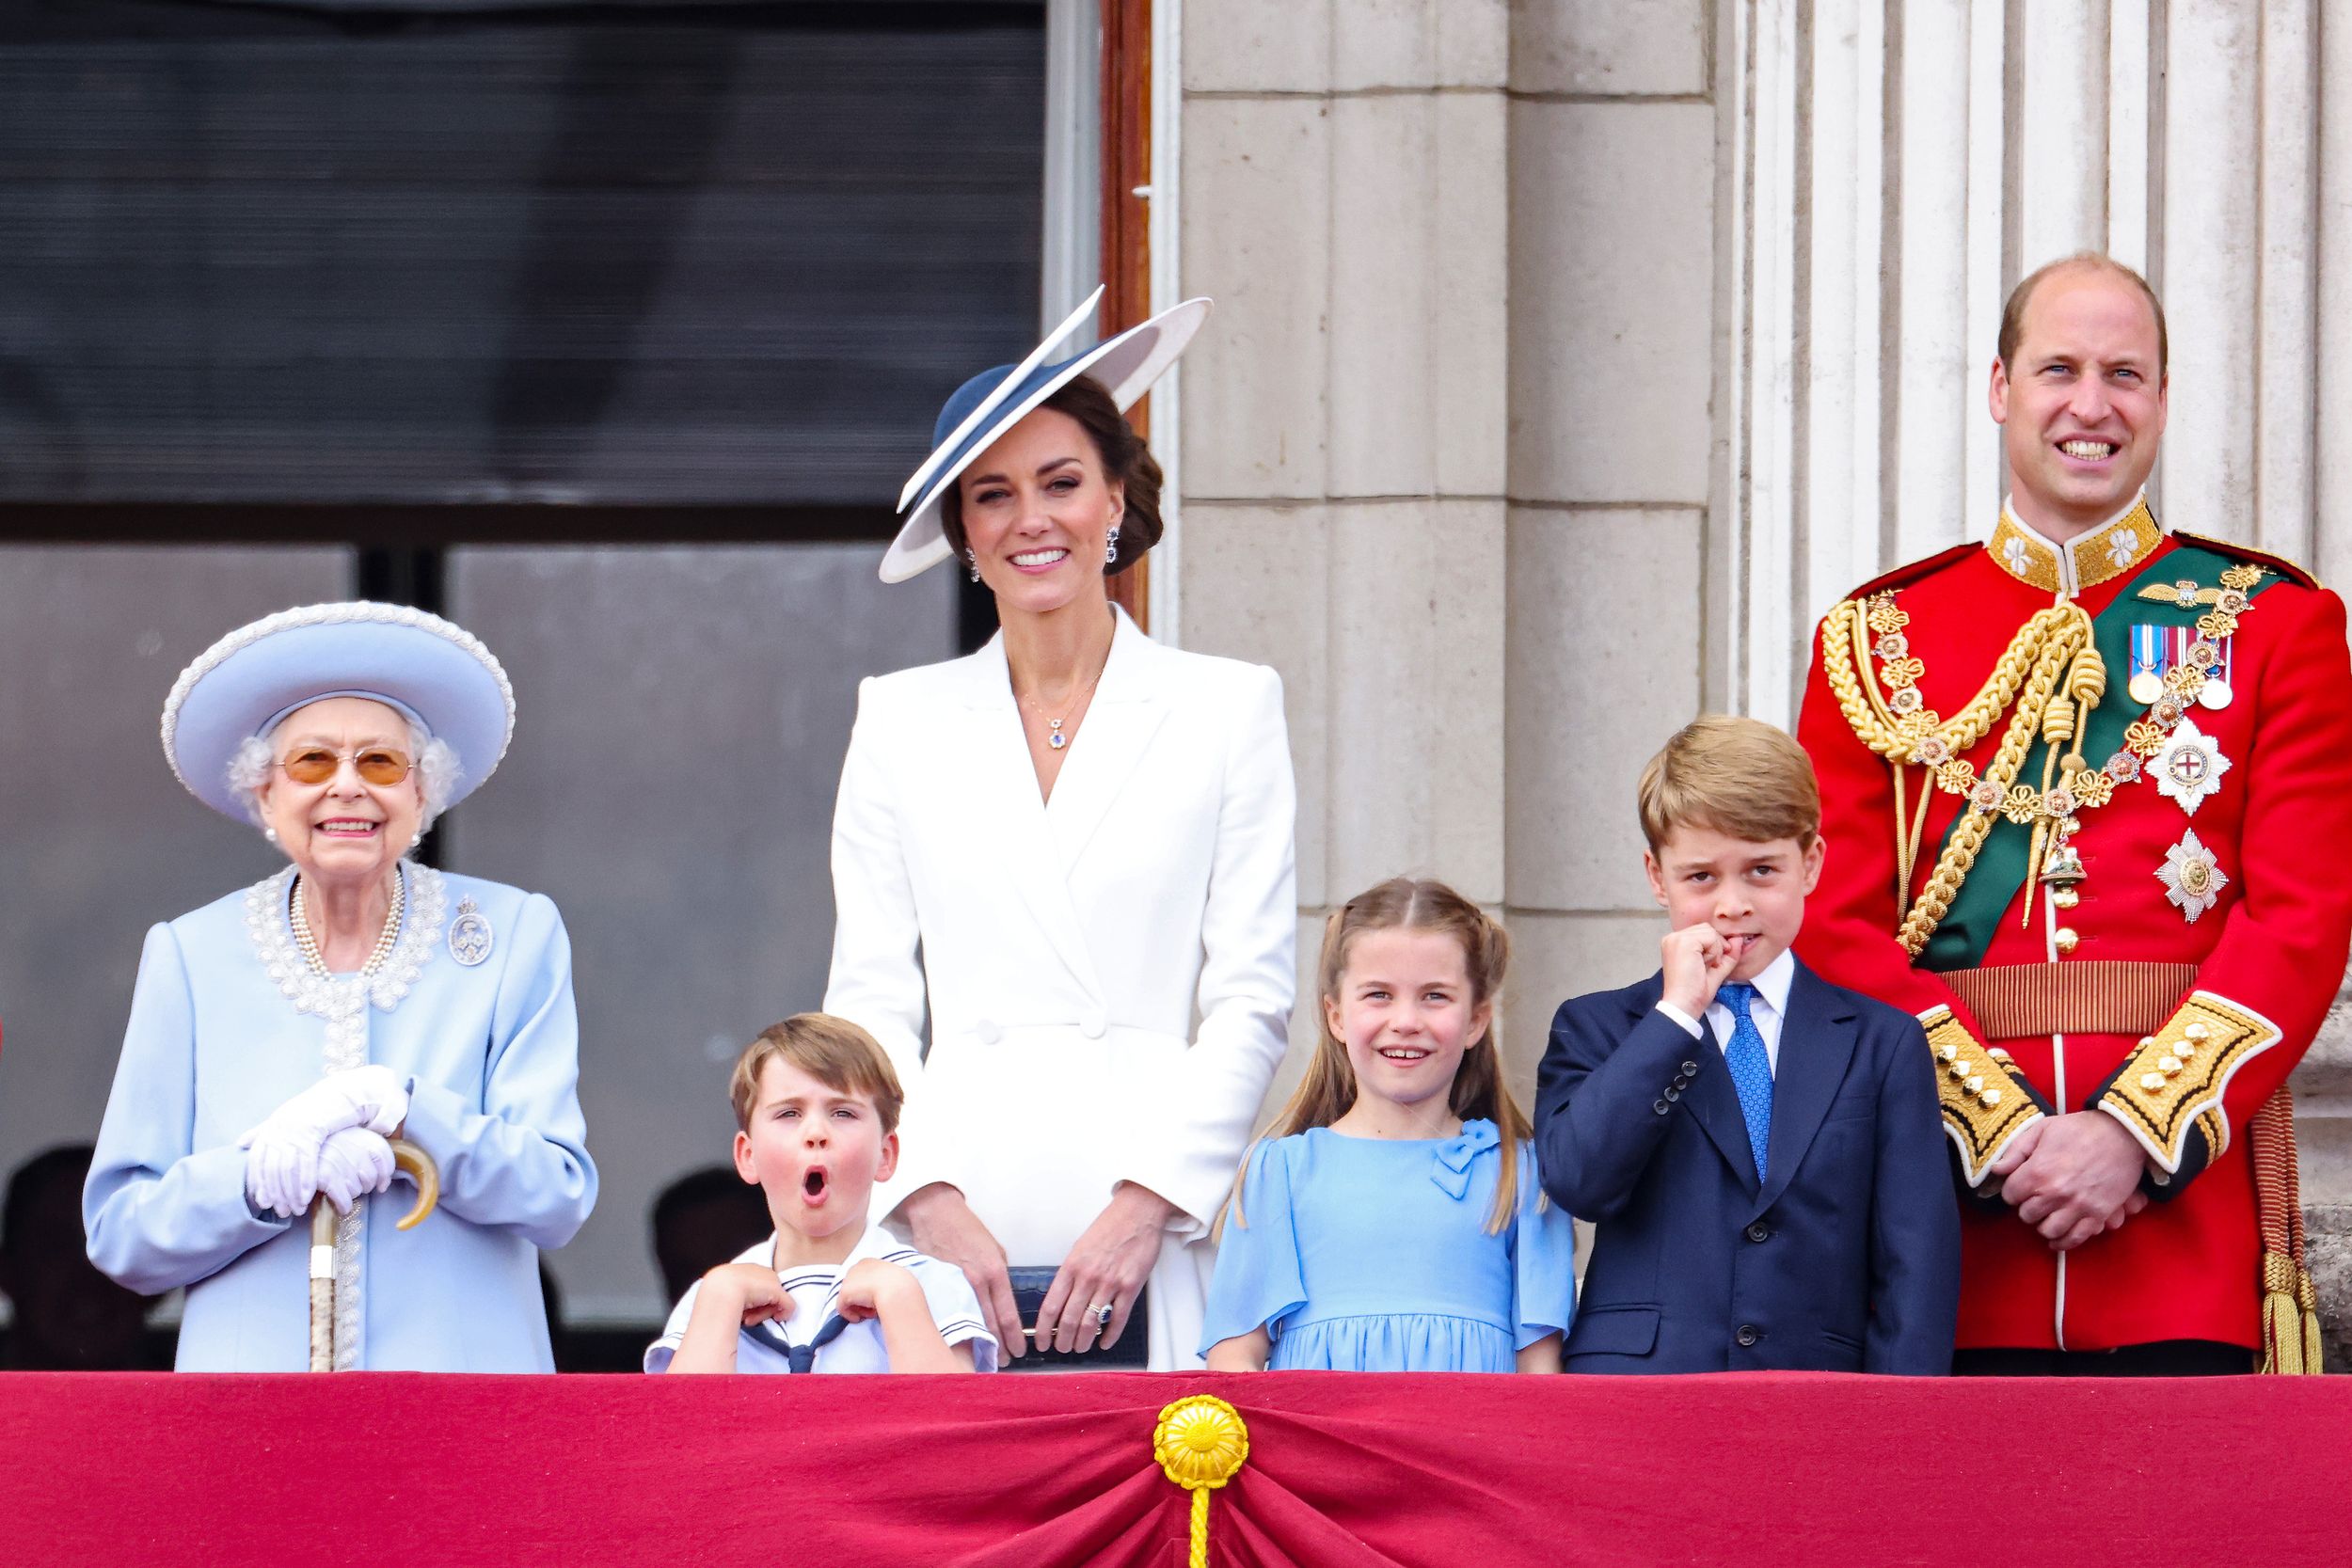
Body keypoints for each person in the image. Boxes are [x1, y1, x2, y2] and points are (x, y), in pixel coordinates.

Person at [1795, 253, 2352, 1374]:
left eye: (2124, 374)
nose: (2090, 405)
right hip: (1946, 1236)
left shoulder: (2275, 626)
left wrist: (2130, 1137)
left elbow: (2299, 920)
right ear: (2000, 387)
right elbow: (1828, 919)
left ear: (2159, 398)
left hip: (2178, 1238)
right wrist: (1998, 1135)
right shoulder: (1875, 637)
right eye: (2058, 369)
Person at [826, 287, 1296, 1370]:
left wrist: (1149, 1203)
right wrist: (926, 1196)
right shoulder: (895, 717)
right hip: (952, 1220)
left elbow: (1251, 992)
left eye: (1062, 481)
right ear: (963, 535)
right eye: (993, 495)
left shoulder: (1228, 705)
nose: (1031, 518)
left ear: (1118, 499)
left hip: (1143, 1211)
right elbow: (868, 998)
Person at [84, 602, 597, 1370]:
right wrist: (251, 1184)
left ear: (423, 795)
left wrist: (410, 1114)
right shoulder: (190, 954)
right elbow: (123, 1234)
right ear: (265, 795)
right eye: (313, 763)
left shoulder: (512, 934)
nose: (348, 788)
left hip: (464, 1409)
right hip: (249, 1415)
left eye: (382, 764)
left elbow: (556, 1195)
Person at [1536, 718, 1959, 1373]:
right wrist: (1676, 1016)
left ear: (1811, 862)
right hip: (1640, 1396)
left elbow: (1917, 1261)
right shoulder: (1599, 1027)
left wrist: (1896, 1429)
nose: (1732, 904)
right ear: (1657, 876)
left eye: (1762, 870)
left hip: (1816, 1400)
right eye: (1701, 877)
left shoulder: (1883, 1042)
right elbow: (1578, 1181)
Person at [1200, 879, 1573, 1373]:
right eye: (1379, 994)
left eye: (1434, 996)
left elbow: (1541, 1376)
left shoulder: (1520, 1175)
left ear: (1476, 1020)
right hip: (1321, 1447)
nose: (1405, 1020)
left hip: (1464, 1447)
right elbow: (1236, 1360)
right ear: (1336, 1016)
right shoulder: (1280, 1171)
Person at [646, 1014, 995, 1374]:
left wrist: (900, 1302)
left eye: (843, 1112)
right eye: (789, 1113)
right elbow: (686, 1426)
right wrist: (720, 1303)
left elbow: (952, 1424)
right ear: (748, 1157)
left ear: (885, 1155)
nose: (816, 1131)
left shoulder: (930, 1283)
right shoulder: (711, 1296)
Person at [2, 1146, 157, 1370]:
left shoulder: (200, 1388)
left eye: (110, 1244)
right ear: (8, 1271)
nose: (88, 1270)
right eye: (56, 1247)